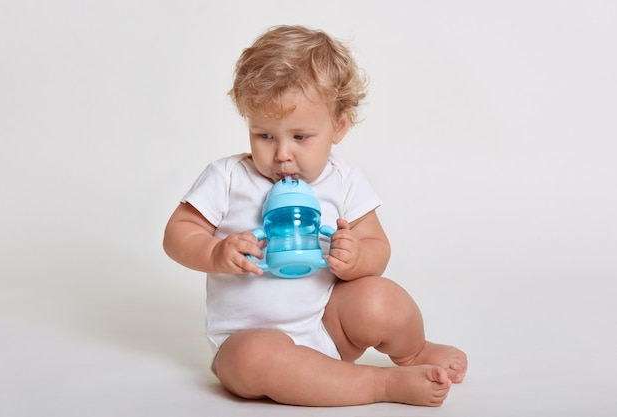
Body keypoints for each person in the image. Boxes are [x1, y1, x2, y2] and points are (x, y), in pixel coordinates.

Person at [163, 25, 467, 407]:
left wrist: (356, 258)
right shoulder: (227, 177)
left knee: (380, 298)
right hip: (250, 340)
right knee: (254, 357)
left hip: (327, 326)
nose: (282, 154)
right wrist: (214, 252)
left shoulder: (342, 180)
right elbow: (178, 232)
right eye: (265, 136)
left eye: (300, 137)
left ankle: (413, 352)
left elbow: (378, 247)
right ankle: (381, 385)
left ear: (338, 127)